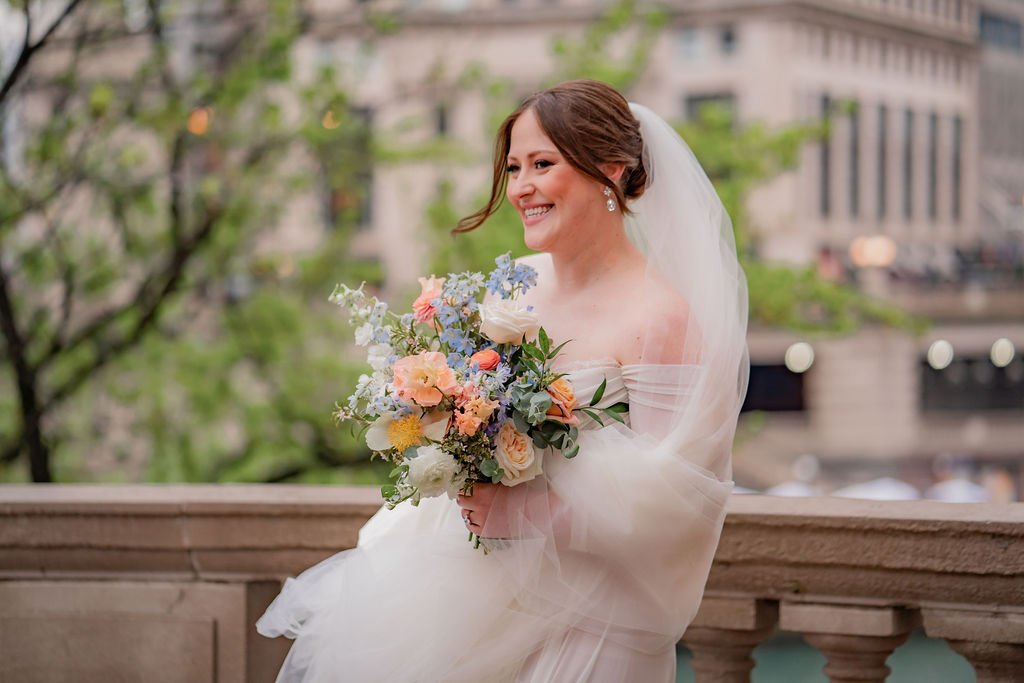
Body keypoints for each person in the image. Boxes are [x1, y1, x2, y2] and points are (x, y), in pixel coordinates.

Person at [256, 79, 749, 682]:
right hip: (476, 597)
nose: (521, 188)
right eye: (514, 167)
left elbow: (679, 506)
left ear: (613, 171)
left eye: (543, 164)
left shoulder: (663, 320)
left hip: (597, 626)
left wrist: (522, 515)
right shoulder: (514, 285)